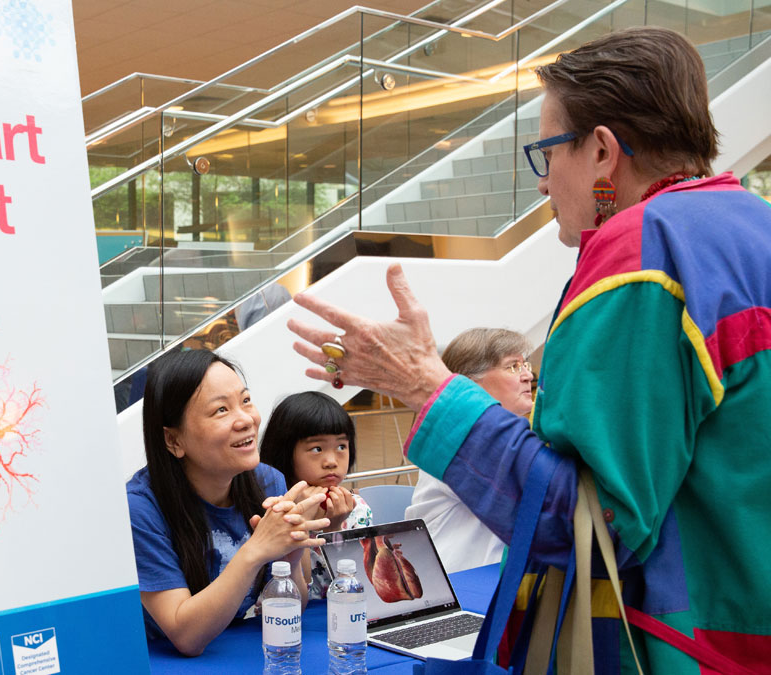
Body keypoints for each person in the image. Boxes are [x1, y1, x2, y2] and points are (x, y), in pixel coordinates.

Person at [286, 26, 771, 673]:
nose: (544, 186)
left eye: (547, 154)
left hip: (683, 645)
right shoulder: (751, 226)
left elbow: (584, 526)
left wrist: (428, 387)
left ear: (602, 151)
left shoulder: (644, 255)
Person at [127, 349, 329, 656]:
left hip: (232, 650)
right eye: (221, 410)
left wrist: (290, 551)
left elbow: (292, 607)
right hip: (156, 659)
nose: (246, 419)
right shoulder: (140, 509)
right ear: (173, 441)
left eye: (245, 401)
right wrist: (257, 550)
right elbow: (186, 638)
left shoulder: (268, 483)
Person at [403, 328, 532, 572]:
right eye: (513, 367)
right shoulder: (455, 440)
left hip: (497, 581)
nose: (528, 375)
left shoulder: (518, 436)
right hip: (456, 587)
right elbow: (531, 493)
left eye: (526, 365)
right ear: (471, 385)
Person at [260, 391, 373, 598]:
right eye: (317, 448)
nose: (331, 461)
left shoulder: (357, 508)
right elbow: (287, 590)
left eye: (341, 446)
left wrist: (336, 528)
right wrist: (299, 522)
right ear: (285, 451)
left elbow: (361, 582)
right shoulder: (273, 511)